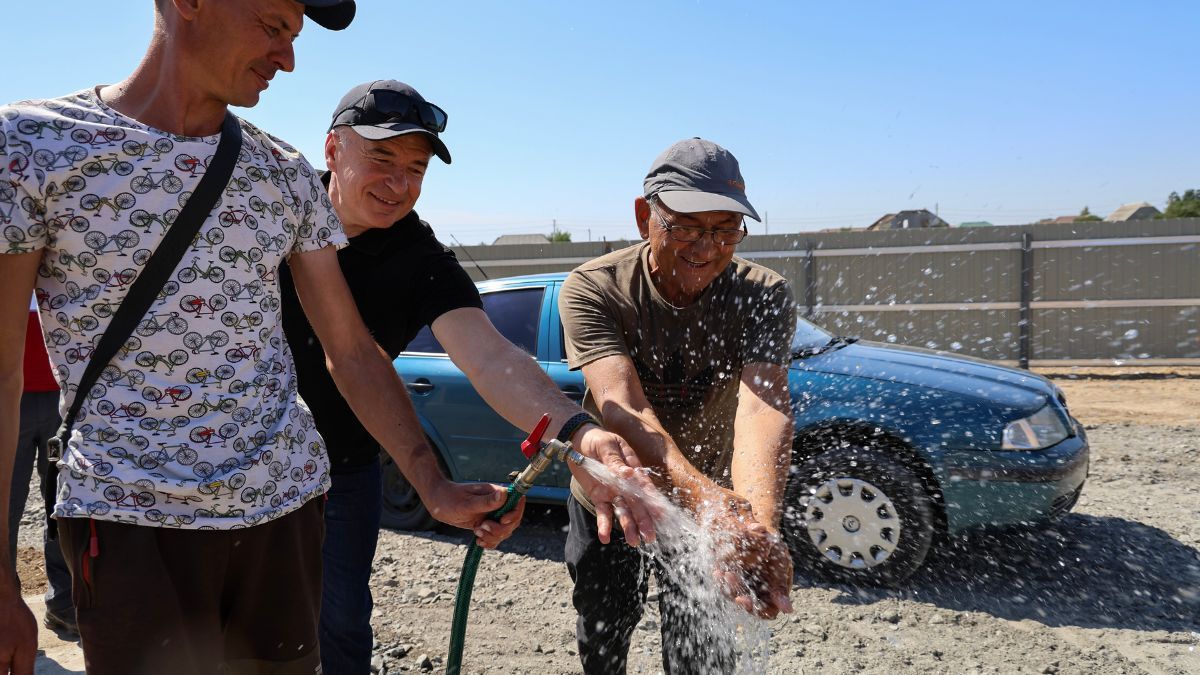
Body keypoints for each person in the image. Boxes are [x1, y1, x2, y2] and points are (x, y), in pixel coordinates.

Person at [0, 2, 525, 672]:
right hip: (129, 521)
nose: (289, 57)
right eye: (273, 26)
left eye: (295, 35)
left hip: (285, 515)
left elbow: (352, 351)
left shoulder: (282, 171)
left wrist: (433, 482)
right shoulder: (34, 146)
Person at [279, 79, 660, 674]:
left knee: (340, 630)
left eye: (416, 168)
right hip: (229, 451)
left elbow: (490, 356)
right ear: (332, 150)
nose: (399, 183)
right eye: (381, 157)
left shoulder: (418, 257)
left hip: (343, 468)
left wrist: (579, 432)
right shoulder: (266, 215)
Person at [559, 137, 798, 673]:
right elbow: (623, 406)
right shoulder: (595, 288)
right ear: (645, 215)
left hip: (713, 497)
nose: (706, 247)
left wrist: (755, 531)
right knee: (604, 630)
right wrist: (713, 506)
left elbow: (762, 409)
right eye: (687, 226)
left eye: (725, 230)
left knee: (702, 651)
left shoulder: (763, 292)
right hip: (615, 495)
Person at [4, 297, 75, 638]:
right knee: (5, 508)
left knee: (61, 507)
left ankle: (65, 604)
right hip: (7, 397)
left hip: (62, 397)